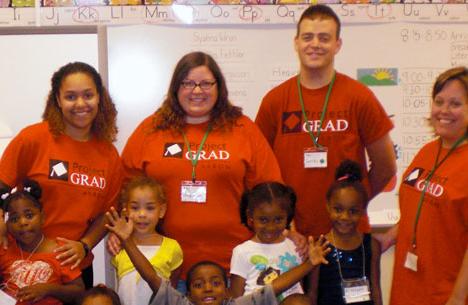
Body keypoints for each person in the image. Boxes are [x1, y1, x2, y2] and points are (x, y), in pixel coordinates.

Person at [119, 51, 284, 285]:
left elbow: (271, 192)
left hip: (236, 267)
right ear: (176, 87)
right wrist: (120, 232)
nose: (197, 91)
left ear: (219, 87)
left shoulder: (243, 128)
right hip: (163, 267)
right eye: (188, 83)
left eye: (206, 83)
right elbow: (124, 189)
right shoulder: (151, 130)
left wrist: (287, 231)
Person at [255, 4, 396, 239]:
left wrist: (351, 205)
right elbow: (258, 169)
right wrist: (279, 219)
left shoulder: (359, 97)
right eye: (308, 37)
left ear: (337, 44)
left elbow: (386, 166)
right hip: (290, 236)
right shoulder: (275, 100)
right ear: (296, 43)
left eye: (324, 38)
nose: (315, 44)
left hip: (347, 235)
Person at [0, 62, 125, 288]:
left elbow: (107, 214)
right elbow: (0, 186)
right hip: (26, 262)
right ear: (57, 100)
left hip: (73, 268)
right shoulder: (33, 138)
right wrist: (0, 230)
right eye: (71, 97)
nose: (80, 104)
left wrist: (84, 246)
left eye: (88, 95)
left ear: (99, 98)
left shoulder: (109, 155)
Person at [389, 67, 468, 305]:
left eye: (455, 104)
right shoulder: (428, 152)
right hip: (415, 285)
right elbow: (420, 213)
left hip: (454, 293)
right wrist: (386, 239)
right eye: (439, 101)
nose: (444, 111)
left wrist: (457, 298)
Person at [104, 207, 331, 305]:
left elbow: (275, 287)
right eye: (200, 285)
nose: (208, 288)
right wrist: (127, 241)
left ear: (228, 291)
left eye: (215, 283)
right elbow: (151, 276)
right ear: (189, 294)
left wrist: (309, 263)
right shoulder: (181, 303)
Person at [0, 179, 85, 305]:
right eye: (14, 219)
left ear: (42, 217)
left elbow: (79, 293)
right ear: (6, 224)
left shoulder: (61, 252)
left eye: (29, 216)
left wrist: (49, 289)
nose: (23, 223)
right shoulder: (5, 250)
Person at [307, 160, 381, 305]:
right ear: (328, 206)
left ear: (363, 210)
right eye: (338, 209)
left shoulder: (371, 245)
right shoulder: (319, 247)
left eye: (353, 211)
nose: (345, 217)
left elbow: (376, 289)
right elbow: (312, 293)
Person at [111, 176, 183, 305]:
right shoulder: (120, 246)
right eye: (135, 208)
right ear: (125, 210)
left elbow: (172, 289)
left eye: (149, 208)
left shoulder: (172, 247)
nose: (142, 214)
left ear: (161, 211)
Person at [229, 182, 302, 300]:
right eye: (263, 220)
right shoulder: (242, 251)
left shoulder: (296, 247)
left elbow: (300, 291)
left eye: (278, 219)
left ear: (288, 216)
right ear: (250, 215)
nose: (271, 227)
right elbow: (236, 298)